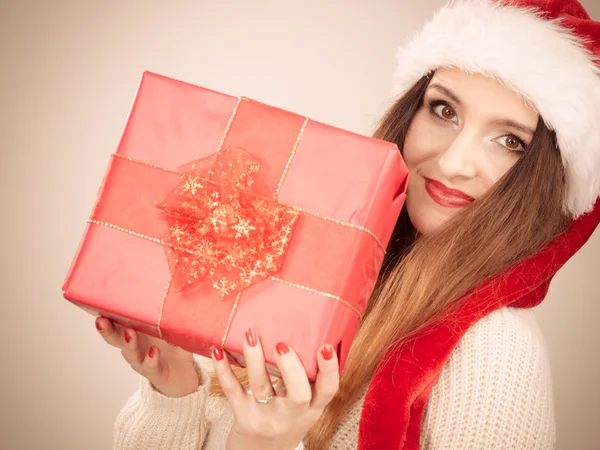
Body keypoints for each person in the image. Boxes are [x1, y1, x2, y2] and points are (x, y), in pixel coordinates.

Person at [99, 0, 600, 448]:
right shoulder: (301, 264)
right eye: (443, 110)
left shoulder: (493, 351)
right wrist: (175, 389)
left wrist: (263, 445)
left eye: (510, 140)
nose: (453, 161)